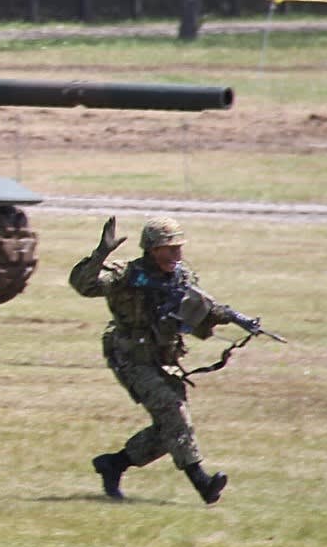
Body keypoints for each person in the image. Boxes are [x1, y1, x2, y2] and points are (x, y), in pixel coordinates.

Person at [70, 216, 239, 504]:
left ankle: (114, 464)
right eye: (170, 249)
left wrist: (220, 316)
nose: (178, 255)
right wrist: (102, 253)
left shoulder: (182, 277)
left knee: (169, 431)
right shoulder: (127, 274)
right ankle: (203, 484)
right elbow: (84, 285)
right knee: (174, 413)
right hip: (130, 357)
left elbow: (195, 320)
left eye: (179, 248)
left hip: (165, 358)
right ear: (152, 249)